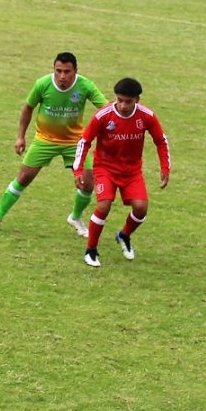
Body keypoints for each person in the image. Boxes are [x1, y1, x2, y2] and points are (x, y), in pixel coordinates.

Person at [0, 53, 108, 236]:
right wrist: (20, 137)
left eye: (67, 72)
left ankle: (75, 217)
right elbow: (28, 108)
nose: (62, 76)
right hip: (45, 140)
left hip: (75, 143)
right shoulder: (42, 84)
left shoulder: (86, 86)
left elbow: (105, 109)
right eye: (58, 71)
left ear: (75, 71)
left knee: (87, 184)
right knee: (23, 178)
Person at [73, 78, 170, 268]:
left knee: (141, 208)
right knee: (103, 206)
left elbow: (161, 141)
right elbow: (85, 141)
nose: (123, 105)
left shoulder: (147, 116)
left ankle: (124, 235)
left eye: (128, 101)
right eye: (119, 100)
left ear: (137, 100)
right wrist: (78, 169)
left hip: (132, 171)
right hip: (105, 168)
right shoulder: (103, 115)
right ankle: (91, 250)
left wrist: (165, 168)